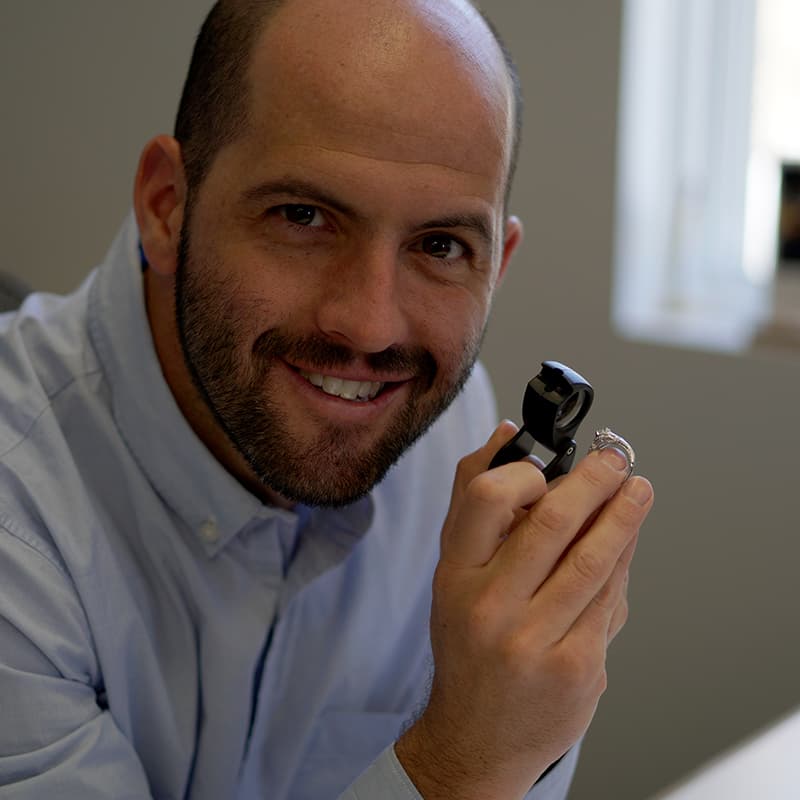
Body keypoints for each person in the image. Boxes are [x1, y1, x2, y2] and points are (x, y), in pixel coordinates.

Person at [0, 0, 654, 798]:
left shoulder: (453, 430)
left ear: (497, 265)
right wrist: (460, 766)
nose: (371, 326)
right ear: (167, 205)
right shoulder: (18, 525)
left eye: (441, 246)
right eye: (303, 216)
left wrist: (518, 702)